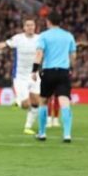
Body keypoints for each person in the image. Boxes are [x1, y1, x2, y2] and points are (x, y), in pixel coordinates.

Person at [32, 11, 76, 143]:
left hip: (48, 72)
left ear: (49, 22)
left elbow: (39, 53)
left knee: (43, 101)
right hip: (63, 72)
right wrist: (71, 68)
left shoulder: (44, 36)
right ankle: (67, 134)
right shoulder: (68, 36)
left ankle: (42, 133)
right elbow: (73, 56)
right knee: (65, 102)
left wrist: (34, 70)